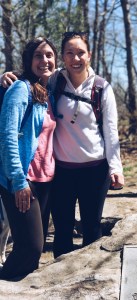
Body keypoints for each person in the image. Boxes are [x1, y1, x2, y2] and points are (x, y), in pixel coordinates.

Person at [1, 31, 125, 259]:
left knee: (91, 228)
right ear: (63, 58)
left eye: (81, 53)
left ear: (89, 55)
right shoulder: (56, 80)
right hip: (62, 172)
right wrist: (6, 76)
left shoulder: (101, 88)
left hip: (96, 171)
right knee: (62, 231)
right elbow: (33, 74)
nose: (75, 59)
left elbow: (111, 131)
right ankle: (62, 284)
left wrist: (116, 168)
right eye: (69, 53)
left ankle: (89, 279)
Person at [0, 37, 57, 280]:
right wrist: (18, 181)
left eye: (49, 55)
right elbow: (7, 136)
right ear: (28, 60)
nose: (44, 60)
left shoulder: (49, 90)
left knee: (34, 252)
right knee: (29, 249)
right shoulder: (20, 88)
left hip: (45, 179)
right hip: (23, 179)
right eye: (38, 56)